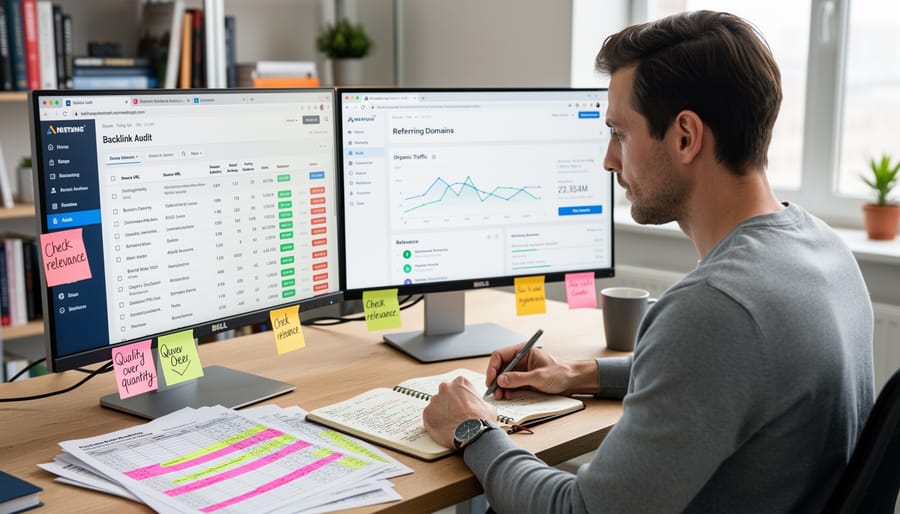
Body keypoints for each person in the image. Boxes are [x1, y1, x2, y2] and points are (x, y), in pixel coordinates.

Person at [422, 10, 875, 513]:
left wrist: (473, 429)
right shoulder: (823, 249)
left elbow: (580, 511)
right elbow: (724, 374)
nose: (608, 159)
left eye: (619, 133)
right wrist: (578, 373)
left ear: (685, 137)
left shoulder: (715, 309)